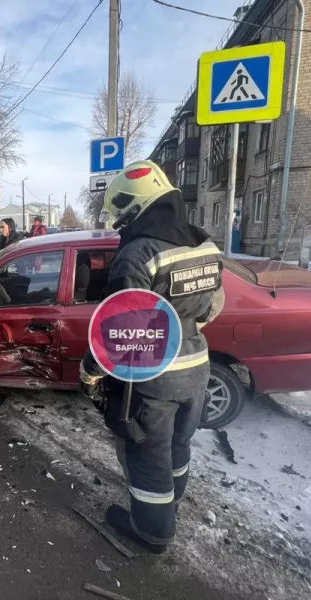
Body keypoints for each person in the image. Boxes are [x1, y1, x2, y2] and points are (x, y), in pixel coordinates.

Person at [79, 160, 225, 554]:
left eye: (123, 214)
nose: (120, 222)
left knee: (146, 455)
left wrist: (90, 370)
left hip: (152, 380)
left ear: (137, 208)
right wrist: (184, 331)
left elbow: (119, 330)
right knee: (179, 444)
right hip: (196, 369)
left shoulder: (138, 254)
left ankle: (152, 532)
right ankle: (172, 501)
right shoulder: (203, 244)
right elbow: (214, 307)